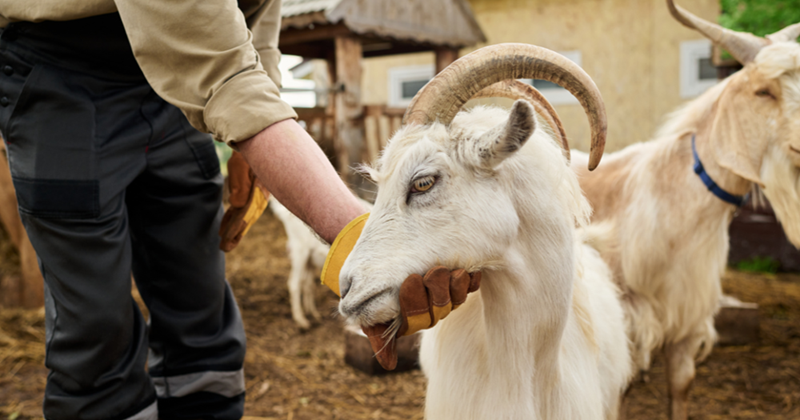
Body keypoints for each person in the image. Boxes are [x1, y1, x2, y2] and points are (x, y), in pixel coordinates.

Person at [0, 1, 365, 419]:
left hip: (172, 83)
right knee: (97, 327)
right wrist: (357, 234)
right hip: (64, 69)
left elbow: (257, 13)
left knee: (198, 301)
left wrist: (263, 102)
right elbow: (227, 79)